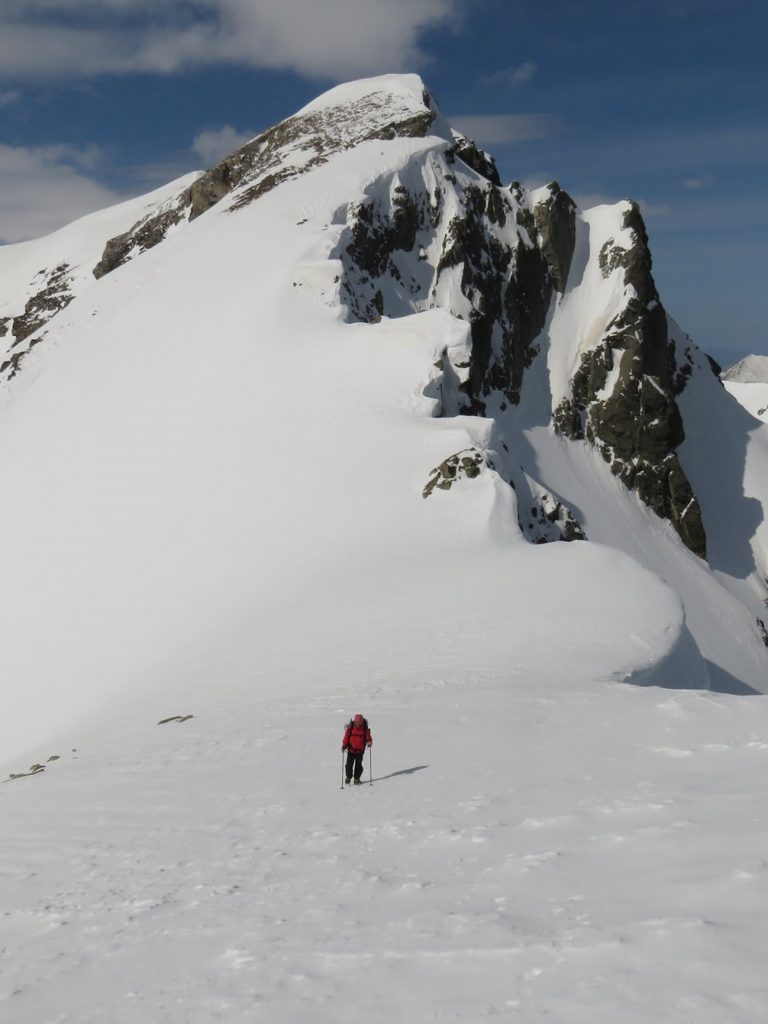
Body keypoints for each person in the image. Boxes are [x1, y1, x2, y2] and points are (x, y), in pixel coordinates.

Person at [342, 713, 372, 784]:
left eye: (359, 722)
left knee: (358, 766)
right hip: (351, 750)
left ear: (362, 722)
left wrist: (369, 742)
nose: (357, 724)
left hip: (360, 751)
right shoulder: (351, 727)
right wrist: (344, 746)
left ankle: (356, 779)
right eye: (356, 722)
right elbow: (346, 737)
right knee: (349, 765)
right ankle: (348, 777)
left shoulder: (364, 728)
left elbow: (368, 737)